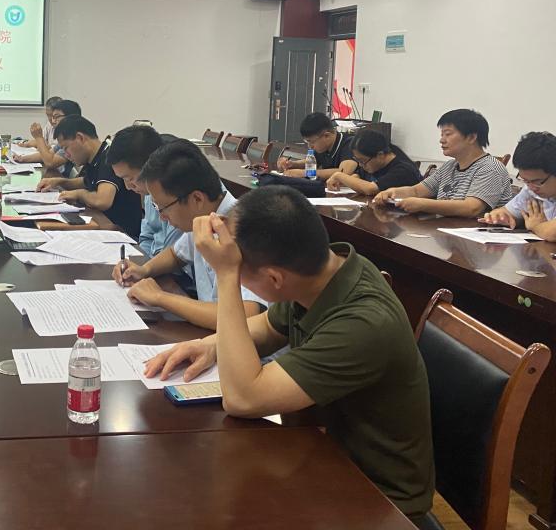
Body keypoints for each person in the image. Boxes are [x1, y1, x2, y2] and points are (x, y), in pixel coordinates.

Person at [144, 186, 435, 524]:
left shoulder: (364, 323)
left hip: (378, 499)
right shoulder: (324, 272)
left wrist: (225, 276)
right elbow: (267, 327)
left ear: (274, 278)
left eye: (241, 275)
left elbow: (244, 398)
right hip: (322, 458)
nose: (240, 282)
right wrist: (209, 345)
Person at [110, 140, 266, 329]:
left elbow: (247, 314)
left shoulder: (246, 231)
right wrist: (144, 270)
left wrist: (160, 297)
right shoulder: (204, 218)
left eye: (163, 208)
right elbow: (176, 254)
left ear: (197, 199)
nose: (162, 217)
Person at [373, 108, 514, 217]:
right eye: (442, 135)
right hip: (448, 232)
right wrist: (393, 192)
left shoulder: (490, 167)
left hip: (478, 239)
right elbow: (416, 191)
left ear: (471, 137)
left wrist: (423, 204)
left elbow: (472, 208)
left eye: (448, 134)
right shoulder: (450, 166)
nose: (442, 140)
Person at [36, 114, 142, 238]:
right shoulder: (95, 157)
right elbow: (87, 181)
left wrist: (79, 194)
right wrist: (59, 182)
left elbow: (102, 201)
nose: (66, 155)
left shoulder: (108, 159)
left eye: (66, 148)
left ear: (80, 138)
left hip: (121, 233)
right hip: (103, 225)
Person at [107, 124, 186, 264]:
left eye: (130, 179)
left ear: (149, 167)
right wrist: (140, 263)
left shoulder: (178, 190)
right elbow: (146, 235)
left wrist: (147, 268)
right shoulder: (148, 192)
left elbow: (175, 254)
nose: (128, 187)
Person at [482, 131, 556, 241]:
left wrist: (535, 226)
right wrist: (499, 216)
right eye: (525, 180)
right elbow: (508, 212)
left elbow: (552, 233)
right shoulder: (530, 189)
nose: (531, 187)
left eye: (538, 181)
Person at [326, 129, 421, 196]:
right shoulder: (373, 162)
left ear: (380, 155)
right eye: (358, 161)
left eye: (362, 161)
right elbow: (358, 176)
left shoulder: (403, 169)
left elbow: (370, 189)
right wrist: (346, 181)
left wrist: (339, 176)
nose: (360, 165)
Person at [278, 112, 357, 180]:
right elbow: (312, 162)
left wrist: (306, 173)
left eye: (311, 142)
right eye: (307, 141)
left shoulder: (350, 143)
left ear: (326, 136)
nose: (310, 146)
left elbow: (344, 172)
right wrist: (292, 164)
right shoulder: (323, 147)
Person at [14, 98, 80, 173]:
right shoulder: (64, 138)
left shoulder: (73, 139)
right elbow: (49, 154)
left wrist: (39, 137)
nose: (53, 121)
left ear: (69, 117)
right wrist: (22, 159)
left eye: (56, 117)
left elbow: (50, 162)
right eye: (51, 116)